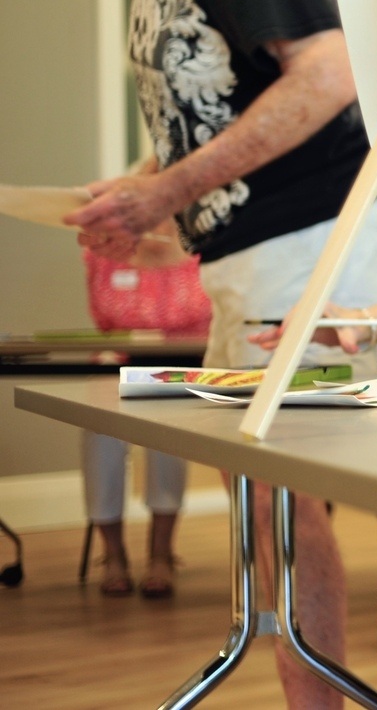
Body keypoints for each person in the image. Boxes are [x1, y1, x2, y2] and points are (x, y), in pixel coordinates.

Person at [40, 0, 377, 707]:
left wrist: (170, 189)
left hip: (307, 246)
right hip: (248, 250)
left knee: (287, 496)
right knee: (263, 495)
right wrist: (144, 190)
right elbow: (215, 97)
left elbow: (324, 78)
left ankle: (313, 697)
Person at [81, 213, 212, 598]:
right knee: (98, 431)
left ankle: (161, 553)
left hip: (182, 371)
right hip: (117, 366)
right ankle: (113, 553)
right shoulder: (105, 252)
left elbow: (204, 314)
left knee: (164, 434)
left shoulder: (202, 253)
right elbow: (106, 316)